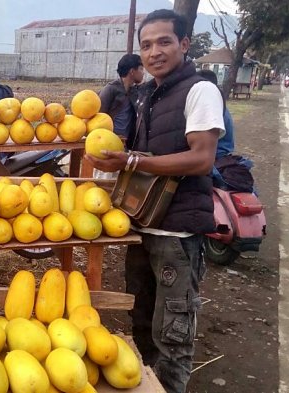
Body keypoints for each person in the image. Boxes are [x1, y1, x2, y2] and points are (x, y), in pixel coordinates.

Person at [86, 9, 224, 393]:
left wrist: (130, 159)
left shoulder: (200, 90)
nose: (154, 52)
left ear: (184, 43)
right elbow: (143, 156)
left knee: (173, 332)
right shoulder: (148, 94)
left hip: (177, 233)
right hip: (144, 225)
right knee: (143, 321)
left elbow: (201, 158)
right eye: (146, 45)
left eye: (164, 42)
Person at [99, 54, 145, 138]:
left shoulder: (134, 92)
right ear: (132, 72)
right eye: (141, 69)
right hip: (108, 140)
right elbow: (98, 117)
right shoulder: (110, 90)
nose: (143, 73)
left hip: (125, 143)